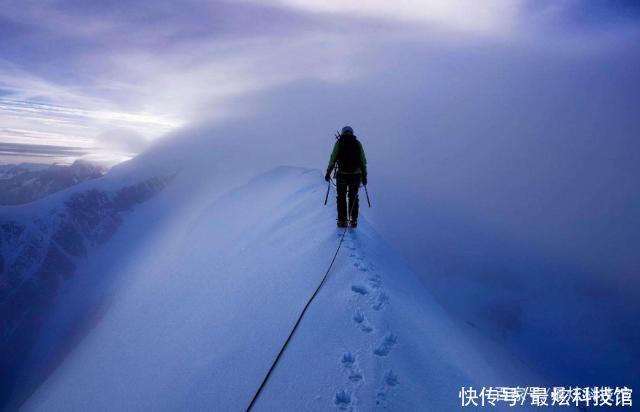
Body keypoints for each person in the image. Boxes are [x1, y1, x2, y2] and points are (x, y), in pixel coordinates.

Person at [325, 126, 368, 228]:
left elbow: (333, 158)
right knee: (353, 198)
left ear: (343, 133)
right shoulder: (357, 144)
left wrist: (328, 173)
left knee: (341, 197)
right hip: (355, 176)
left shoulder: (339, 143)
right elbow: (363, 161)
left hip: (342, 175)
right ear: (352, 133)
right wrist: (364, 176)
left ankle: (342, 221)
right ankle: (353, 220)